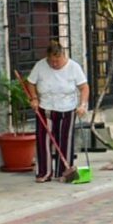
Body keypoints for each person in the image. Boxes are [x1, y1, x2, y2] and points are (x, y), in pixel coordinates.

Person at [23, 41, 89, 183]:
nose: (54, 64)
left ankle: (63, 172)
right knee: (43, 141)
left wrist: (82, 105)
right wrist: (34, 98)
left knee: (65, 140)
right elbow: (31, 83)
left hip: (67, 109)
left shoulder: (73, 67)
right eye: (51, 61)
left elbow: (84, 87)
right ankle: (44, 172)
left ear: (63, 55)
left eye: (56, 61)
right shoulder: (40, 66)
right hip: (45, 108)